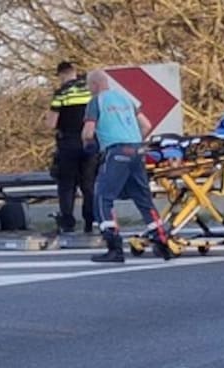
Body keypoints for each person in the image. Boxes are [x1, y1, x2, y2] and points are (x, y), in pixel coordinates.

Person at [81, 69, 171, 263]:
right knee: (143, 198)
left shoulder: (96, 102)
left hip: (115, 152)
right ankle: (162, 240)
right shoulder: (125, 99)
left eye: (89, 86)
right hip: (137, 151)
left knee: (102, 198)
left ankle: (114, 247)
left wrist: (88, 145)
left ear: (95, 85)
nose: (89, 90)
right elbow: (146, 125)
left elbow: (88, 133)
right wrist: (136, 142)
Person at [46, 61, 97, 234]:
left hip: (68, 142)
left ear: (61, 74)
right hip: (90, 142)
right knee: (89, 184)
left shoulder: (61, 93)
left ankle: (67, 223)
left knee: (67, 185)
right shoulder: (90, 90)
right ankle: (90, 222)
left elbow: (51, 123)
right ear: (75, 72)